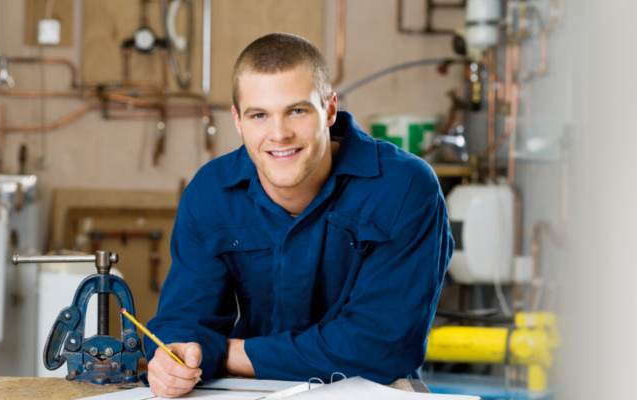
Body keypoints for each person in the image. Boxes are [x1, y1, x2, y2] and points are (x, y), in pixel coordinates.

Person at [143, 32, 454, 398]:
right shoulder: (210, 193)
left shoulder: (404, 188)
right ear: (238, 121)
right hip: (251, 388)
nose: (279, 134)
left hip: (373, 388)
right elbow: (184, 322)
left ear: (330, 109)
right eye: (259, 115)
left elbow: (378, 348)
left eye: (297, 111)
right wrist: (174, 357)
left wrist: (226, 352)